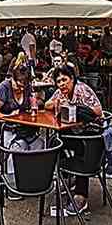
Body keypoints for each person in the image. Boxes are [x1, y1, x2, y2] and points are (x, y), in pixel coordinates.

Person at [44, 65, 103, 214]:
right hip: (75, 134)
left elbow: (98, 111)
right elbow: (46, 104)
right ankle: (67, 177)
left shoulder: (81, 90)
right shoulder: (61, 93)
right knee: (54, 143)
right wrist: (57, 103)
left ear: (72, 79)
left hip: (92, 136)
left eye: (65, 80)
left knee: (77, 152)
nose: (62, 84)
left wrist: (76, 108)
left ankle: (81, 196)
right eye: (59, 81)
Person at [0, 64, 43, 183]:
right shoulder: (4, 88)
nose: (22, 89)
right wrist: (8, 117)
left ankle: (31, 180)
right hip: (6, 128)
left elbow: (33, 104)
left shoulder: (27, 87)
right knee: (18, 146)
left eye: (25, 86)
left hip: (25, 128)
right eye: (19, 85)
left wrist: (37, 102)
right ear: (13, 79)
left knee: (39, 144)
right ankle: (13, 182)